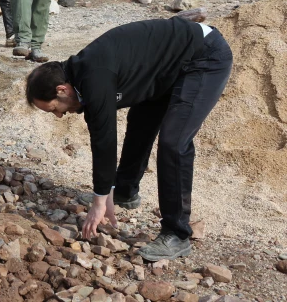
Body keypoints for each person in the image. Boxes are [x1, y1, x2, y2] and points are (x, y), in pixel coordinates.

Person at [25, 18, 232, 261]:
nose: (59, 115)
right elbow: (99, 136)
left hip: (204, 57)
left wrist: (99, 202)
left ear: (62, 90)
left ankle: (177, 233)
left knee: (174, 142)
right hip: (166, 67)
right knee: (141, 120)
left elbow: (104, 139)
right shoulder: (82, 77)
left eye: (54, 109)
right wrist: (105, 193)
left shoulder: (95, 77)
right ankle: (124, 191)